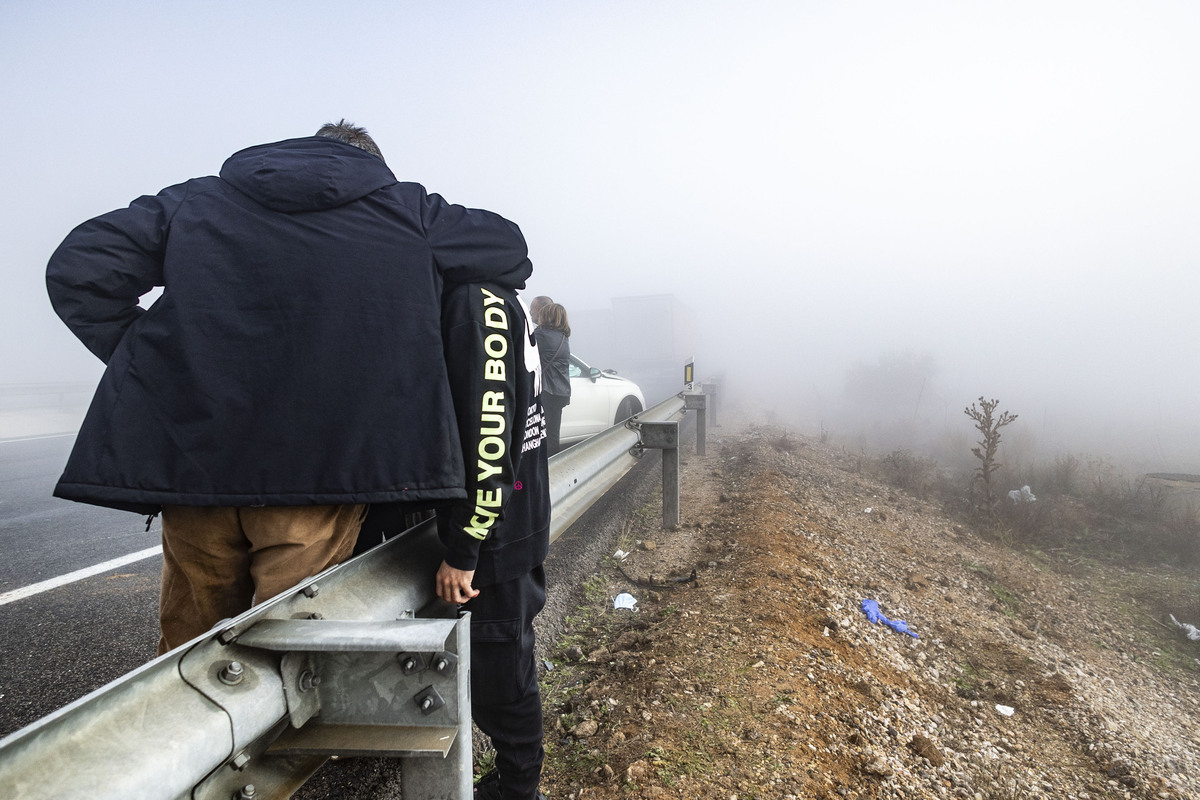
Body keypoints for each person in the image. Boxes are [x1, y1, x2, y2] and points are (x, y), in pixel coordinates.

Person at [45, 120, 533, 655]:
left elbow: (79, 268)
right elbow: (509, 249)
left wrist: (157, 368)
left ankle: (197, 739)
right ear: (370, 163)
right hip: (318, 479)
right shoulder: (406, 209)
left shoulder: (197, 200)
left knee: (189, 656)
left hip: (197, 475)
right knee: (288, 656)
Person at [436, 282, 550, 800]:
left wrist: (464, 548)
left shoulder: (473, 302)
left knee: (504, 688)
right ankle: (514, 782)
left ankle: (518, 790)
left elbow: (489, 431)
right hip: (511, 525)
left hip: (495, 540)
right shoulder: (498, 292)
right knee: (506, 673)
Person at [534, 302, 571, 455]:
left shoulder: (541, 335)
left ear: (547, 316)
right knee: (553, 434)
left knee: (539, 433)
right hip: (561, 392)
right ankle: (553, 463)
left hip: (547, 391)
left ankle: (543, 467)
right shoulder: (563, 337)